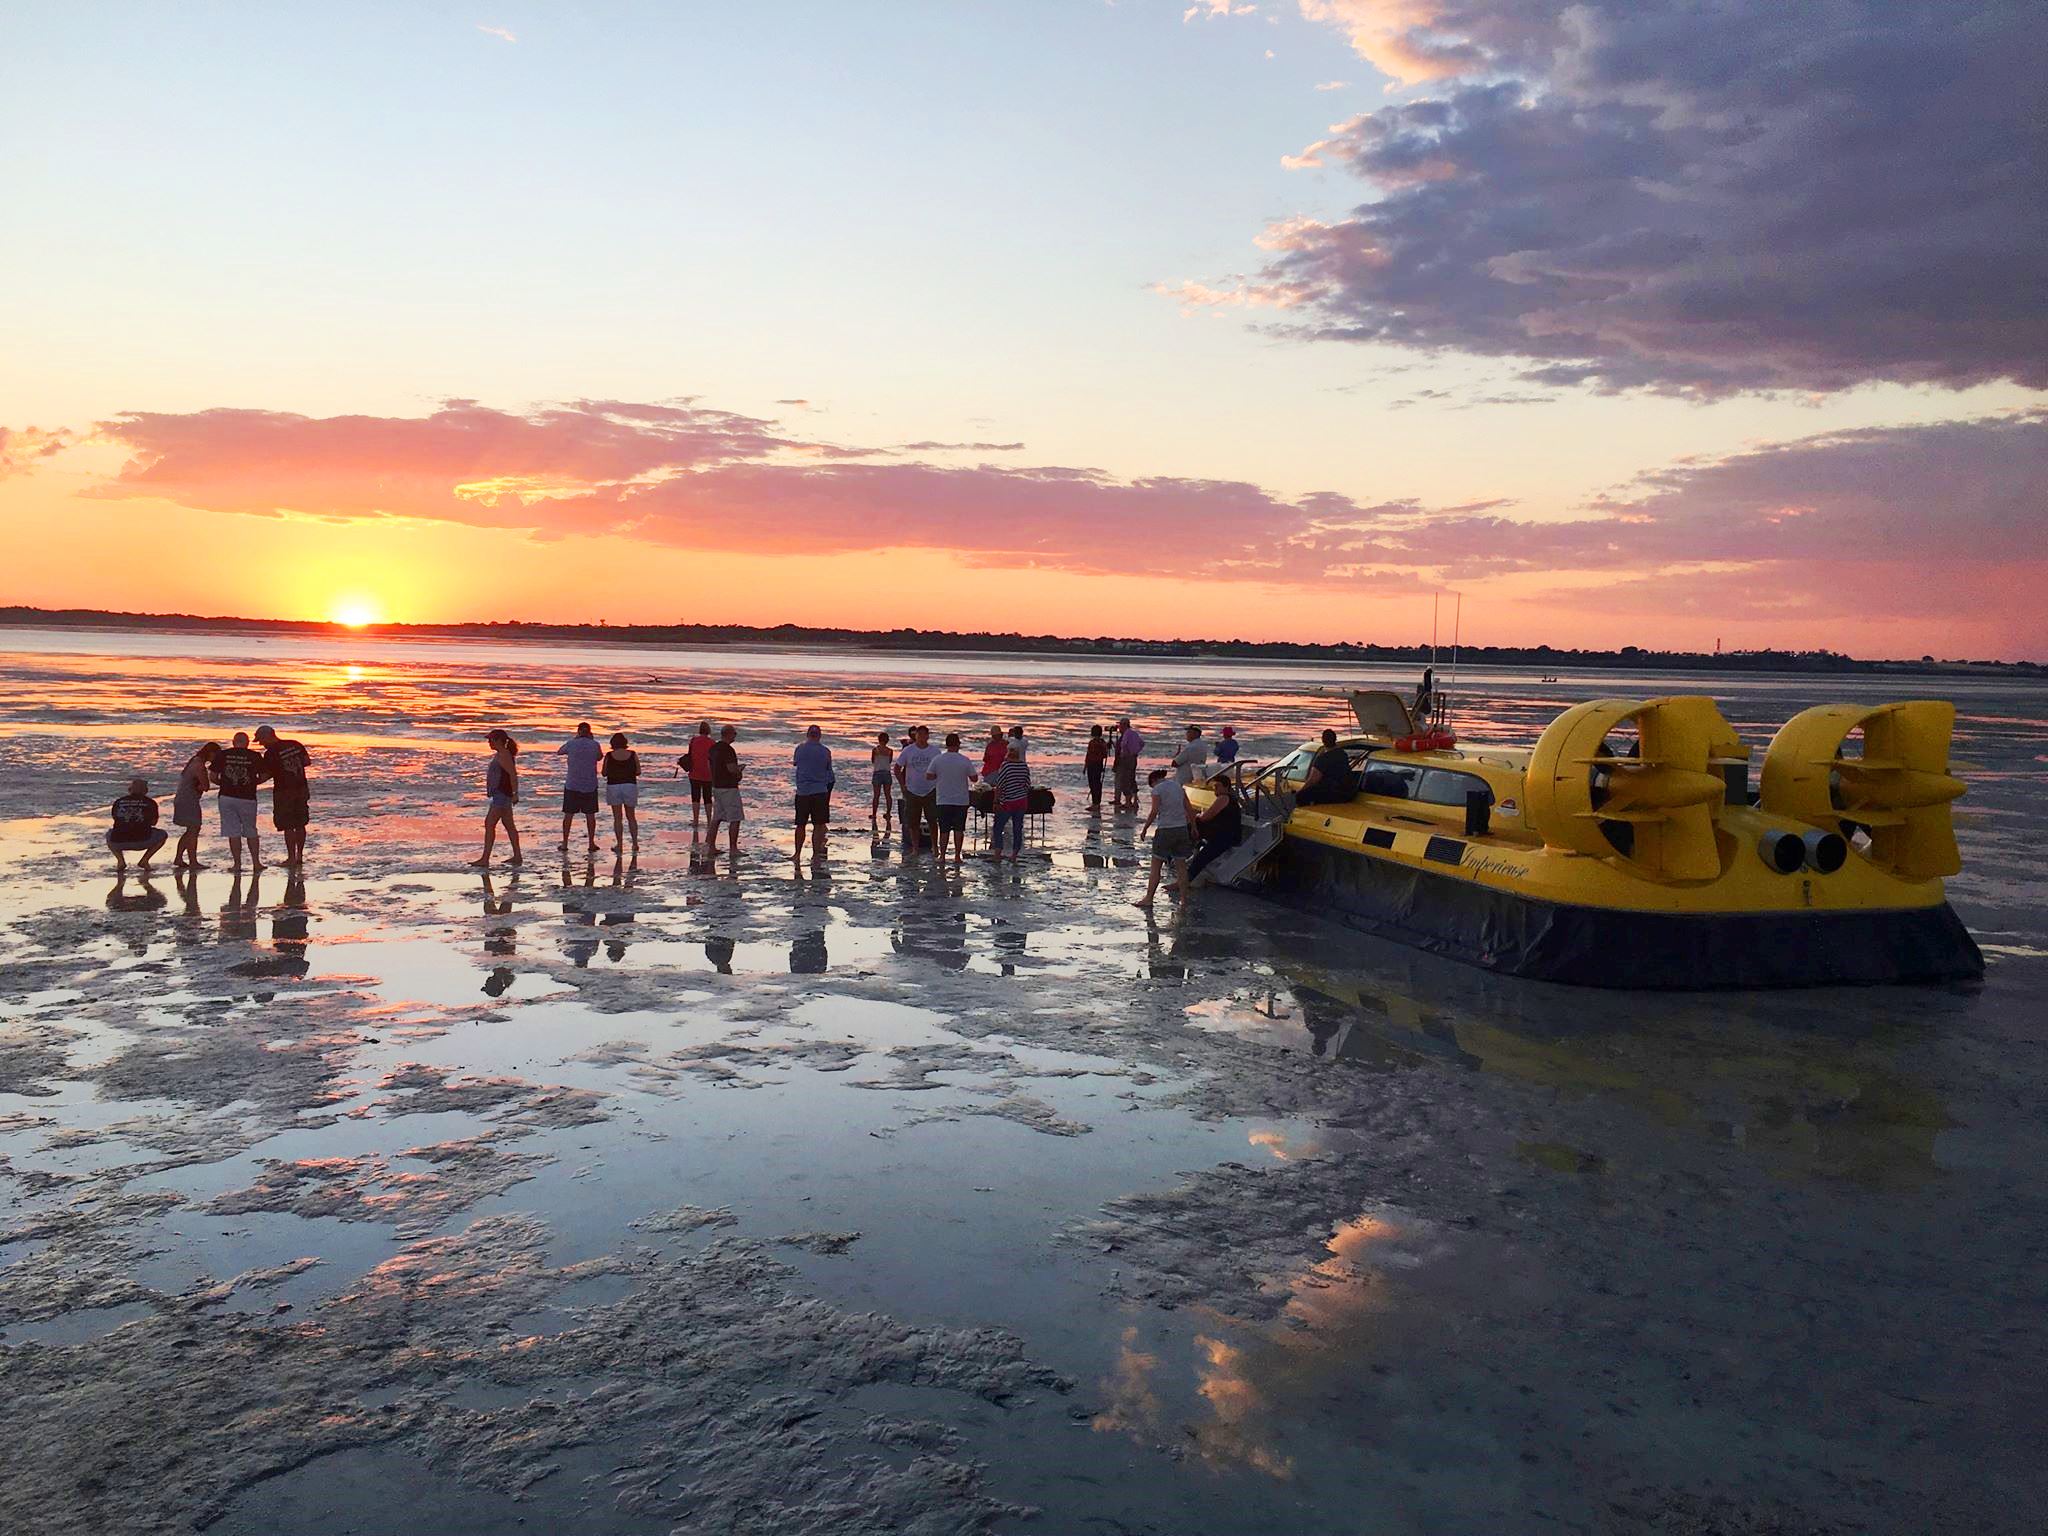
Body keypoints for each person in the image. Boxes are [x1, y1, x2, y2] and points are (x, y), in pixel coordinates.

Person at [253, 725, 313, 867]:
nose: (261, 744)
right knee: (300, 823)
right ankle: (299, 856)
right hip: (301, 788)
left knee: (288, 825)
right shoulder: (295, 744)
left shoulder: (270, 753)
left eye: (261, 740)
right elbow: (306, 761)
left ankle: (291, 858)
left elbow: (266, 775)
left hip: (284, 791)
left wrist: (252, 782)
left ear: (268, 736)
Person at [1135, 768, 1192, 908]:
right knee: (1181, 867)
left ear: (1153, 781)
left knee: (1156, 866)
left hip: (1165, 830)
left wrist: (1145, 828)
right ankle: (1184, 900)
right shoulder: (1178, 786)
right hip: (1181, 829)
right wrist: (1194, 827)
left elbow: (1154, 811)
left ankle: (1149, 898)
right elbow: (1188, 807)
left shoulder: (1157, 790)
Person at [214, 730, 269, 872]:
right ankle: (256, 863)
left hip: (227, 797)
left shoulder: (223, 755)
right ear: (247, 743)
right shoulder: (255, 756)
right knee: (250, 829)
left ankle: (237, 864)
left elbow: (212, 776)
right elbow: (265, 775)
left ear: (233, 742)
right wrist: (254, 782)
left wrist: (223, 784)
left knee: (233, 831)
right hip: (247, 797)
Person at [472, 729, 523, 866]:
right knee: (509, 826)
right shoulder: (501, 754)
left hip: (502, 795)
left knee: (489, 823)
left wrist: (515, 793)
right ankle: (517, 856)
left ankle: (485, 859)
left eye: (491, 740)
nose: (489, 742)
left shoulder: (504, 755)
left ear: (499, 741)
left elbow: (513, 775)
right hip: (502, 794)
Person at [1187, 773, 1244, 886]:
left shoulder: (1224, 798)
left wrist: (1196, 817)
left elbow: (1206, 817)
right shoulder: (1229, 799)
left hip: (1225, 837)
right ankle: (1189, 849)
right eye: (1214, 786)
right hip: (1225, 835)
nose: (1215, 789)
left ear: (1226, 787)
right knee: (1194, 827)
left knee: (1201, 857)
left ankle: (1184, 880)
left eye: (1217, 786)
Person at [930, 731, 978, 867]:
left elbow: (929, 775)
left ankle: (943, 856)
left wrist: (940, 776)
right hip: (961, 800)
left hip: (943, 799)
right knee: (959, 829)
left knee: (944, 829)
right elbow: (974, 778)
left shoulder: (938, 759)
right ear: (958, 744)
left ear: (946, 745)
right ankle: (957, 856)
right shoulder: (964, 760)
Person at [171, 742, 219, 870]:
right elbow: (205, 786)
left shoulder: (194, 761)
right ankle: (193, 861)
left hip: (182, 798)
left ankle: (179, 858)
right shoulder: (199, 765)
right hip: (189, 800)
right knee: (194, 830)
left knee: (190, 830)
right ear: (211, 754)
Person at [557, 722, 604, 852]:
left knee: (568, 815)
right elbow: (600, 757)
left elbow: (559, 751)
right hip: (589, 784)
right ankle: (591, 843)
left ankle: (565, 843)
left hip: (572, 784)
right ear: (589, 732)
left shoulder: (571, 743)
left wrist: (575, 739)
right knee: (590, 815)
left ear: (578, 731)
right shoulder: (594, 744)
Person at [895, 725, 939, 857]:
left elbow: (940, 770)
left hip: (930, 790)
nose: (921, 737)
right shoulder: (908, 751)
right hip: (912, 790)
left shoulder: (934, 752)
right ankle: (915, 848)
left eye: (923, 735)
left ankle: (935, 847)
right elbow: (897, 768)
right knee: (913, 822)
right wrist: (902, 786)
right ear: (915, 736)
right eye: (918, 735)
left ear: (927, 736)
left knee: (932, 820)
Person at [792, 725, 835, 862]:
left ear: (807, 734)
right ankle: (815, 854)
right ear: (819, 735)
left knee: (800, 825)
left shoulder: (800, 749)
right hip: (820, 791)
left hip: (803, 791)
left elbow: (796, 763)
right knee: (818, 825)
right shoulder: (825, 751)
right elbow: (829, 770)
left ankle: (797, 854)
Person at [108, 778, 167, 873]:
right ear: (146, 791)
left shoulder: (119, 802)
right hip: (143, 840)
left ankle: (120, 860)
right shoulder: (150, 803)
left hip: (118, 841)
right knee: (162, 834)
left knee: (110, 833)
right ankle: (145, 860)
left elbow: (116, 819)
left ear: (130, 789)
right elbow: (153, 822)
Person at [707, 724, 744, 858]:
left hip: (716, 786)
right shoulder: (728, 750)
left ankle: (711, 846)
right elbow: (731, 769)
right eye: (734, 734)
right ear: (728, 734)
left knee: (716, 818)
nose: (735, 736)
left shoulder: (713, 748)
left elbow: (710, 766)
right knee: (735, 817)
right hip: (728, 787)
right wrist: (739, 770)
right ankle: (733, 848)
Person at [991, 739, 1031, 863]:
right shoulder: (1024, 766)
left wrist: (996, 801)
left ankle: (998, 854)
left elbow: (999, 785)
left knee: (998, 827)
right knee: (1017, 828)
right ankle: (1014, 855)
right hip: (1021, 801)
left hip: (1007, 802)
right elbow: (1027, 785)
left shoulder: (1006, 766)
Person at [1296, 728, 1357, 806]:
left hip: (1333, 792)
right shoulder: (1343, 754)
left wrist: (1301, 791)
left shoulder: (1323, 758)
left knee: (1301, 796)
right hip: (1347, 792)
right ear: (1335, 740)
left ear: (1323, 741)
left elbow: (1313, 780)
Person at [603, 732, 640, 856]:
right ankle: (634, 844)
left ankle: (619, 844)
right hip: (629, 785)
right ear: (625, 743)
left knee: (617, 818)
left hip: (613, 786)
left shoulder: (609, 755)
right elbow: (638, 771)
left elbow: (604, 773)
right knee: (631, 817)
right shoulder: (633, 754)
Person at [677, 721, 715, 838]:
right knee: (708, 797)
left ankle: (696, 820)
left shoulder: (693, 741)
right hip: (708, 773)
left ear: (699, 730)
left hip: (694, 772)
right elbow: (713, 758)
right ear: (708, 731)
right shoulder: (712, 742)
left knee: (695, 797)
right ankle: (709, 821)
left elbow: (690, 755)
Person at [1115, 718, 1145, 811]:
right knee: (1131, 778)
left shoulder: (1127, 734)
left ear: (1124, 725)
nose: (1119, 727)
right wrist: (1135, 751)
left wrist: (1127, 753)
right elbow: (1142, 743)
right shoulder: (1134, 733)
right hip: (1133, 758)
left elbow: (1124, 745)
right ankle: (1133, 801)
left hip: (1127, 759)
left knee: (1125, 779)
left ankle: (1128, 802)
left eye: (1120, 725)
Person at [868, 731, 894, 832]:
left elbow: (873, 761)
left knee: (876, 795)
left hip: (877, 772)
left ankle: (874, 814)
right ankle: (888, 813)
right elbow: (890, 761)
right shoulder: (890, 751)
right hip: (887, 773)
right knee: (888, 795)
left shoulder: (875, 750)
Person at [1084, 725, 1109, 812]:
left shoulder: (1093, 743)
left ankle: (1095, 803)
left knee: (1093, 784)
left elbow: (1089, 755)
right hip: (1099, 765)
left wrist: (1085, 766)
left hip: (1093, 765)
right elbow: (1105, 755)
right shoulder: (1103, 743)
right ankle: (1097, 803)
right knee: (1097, 784)